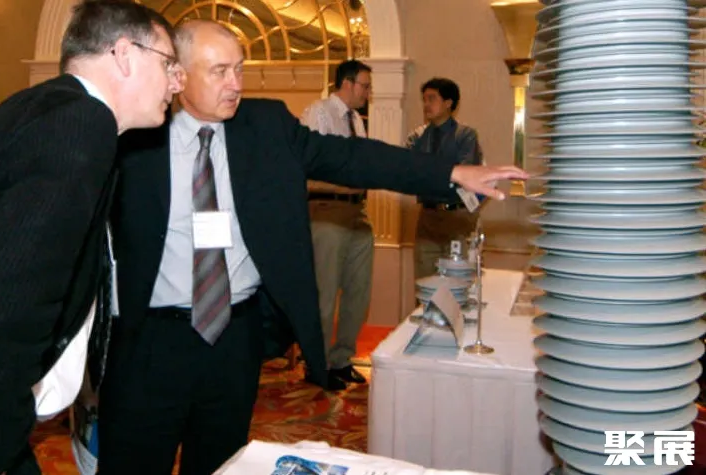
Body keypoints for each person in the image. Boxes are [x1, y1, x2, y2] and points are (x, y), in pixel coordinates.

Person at [98, 19, 527, 475]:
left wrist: (451, 173)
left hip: (232, 338)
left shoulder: (265, 126)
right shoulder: (133, 136)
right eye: (220, 71)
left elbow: (354, 158)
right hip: (149, 342)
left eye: (239, 69)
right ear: (178, 75)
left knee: (221, 465)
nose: (236, 84)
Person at [0, 1, 182, 473]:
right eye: (168, 63)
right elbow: (1, 311)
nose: (176, 82)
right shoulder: (81, 125)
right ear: (124, 54)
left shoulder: (45, 107)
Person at [301, 59, 374, 387]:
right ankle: (317, 365)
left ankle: (341, 359)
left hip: (358, 212)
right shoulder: (318, 113)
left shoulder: (356, 120)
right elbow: (306, 169)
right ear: (347, 83)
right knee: (325, 294)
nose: (368, 93)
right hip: (327, 210)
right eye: (365, 86)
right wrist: (346, 184)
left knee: (359, 292)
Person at [411, 77, 484, 279]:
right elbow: (411, 172)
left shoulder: (465, 135)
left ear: (448, 103)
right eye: (424, 99)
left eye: (432, 99)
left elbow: (464, 174)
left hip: (457, 216)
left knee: (457, 282)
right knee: (424, 280)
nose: (426, 104)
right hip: (428, 216)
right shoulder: (417, 137)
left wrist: (430, 175)